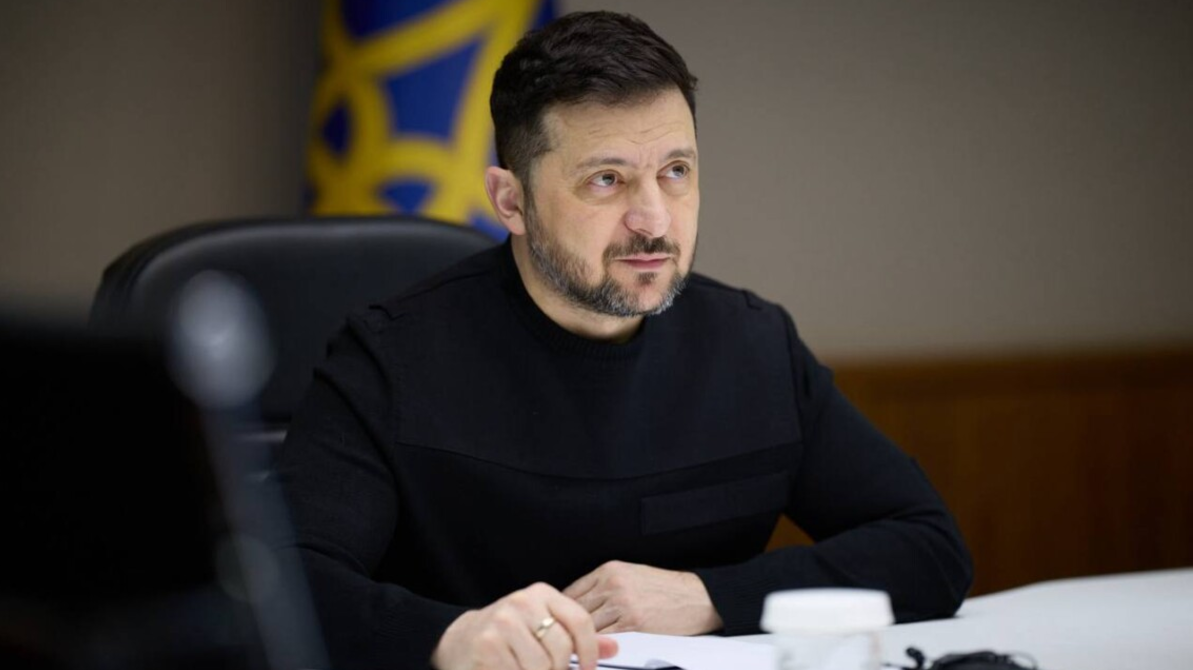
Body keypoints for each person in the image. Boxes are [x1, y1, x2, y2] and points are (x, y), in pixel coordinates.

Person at [274, 10, 973, 670]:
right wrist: (448, 636)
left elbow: (929, 548)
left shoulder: (754, 346)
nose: (653, 219)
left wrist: (709, 595)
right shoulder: (390, 359)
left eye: (676, 172)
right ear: (511, 201)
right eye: (607, 180)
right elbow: (282, 584)